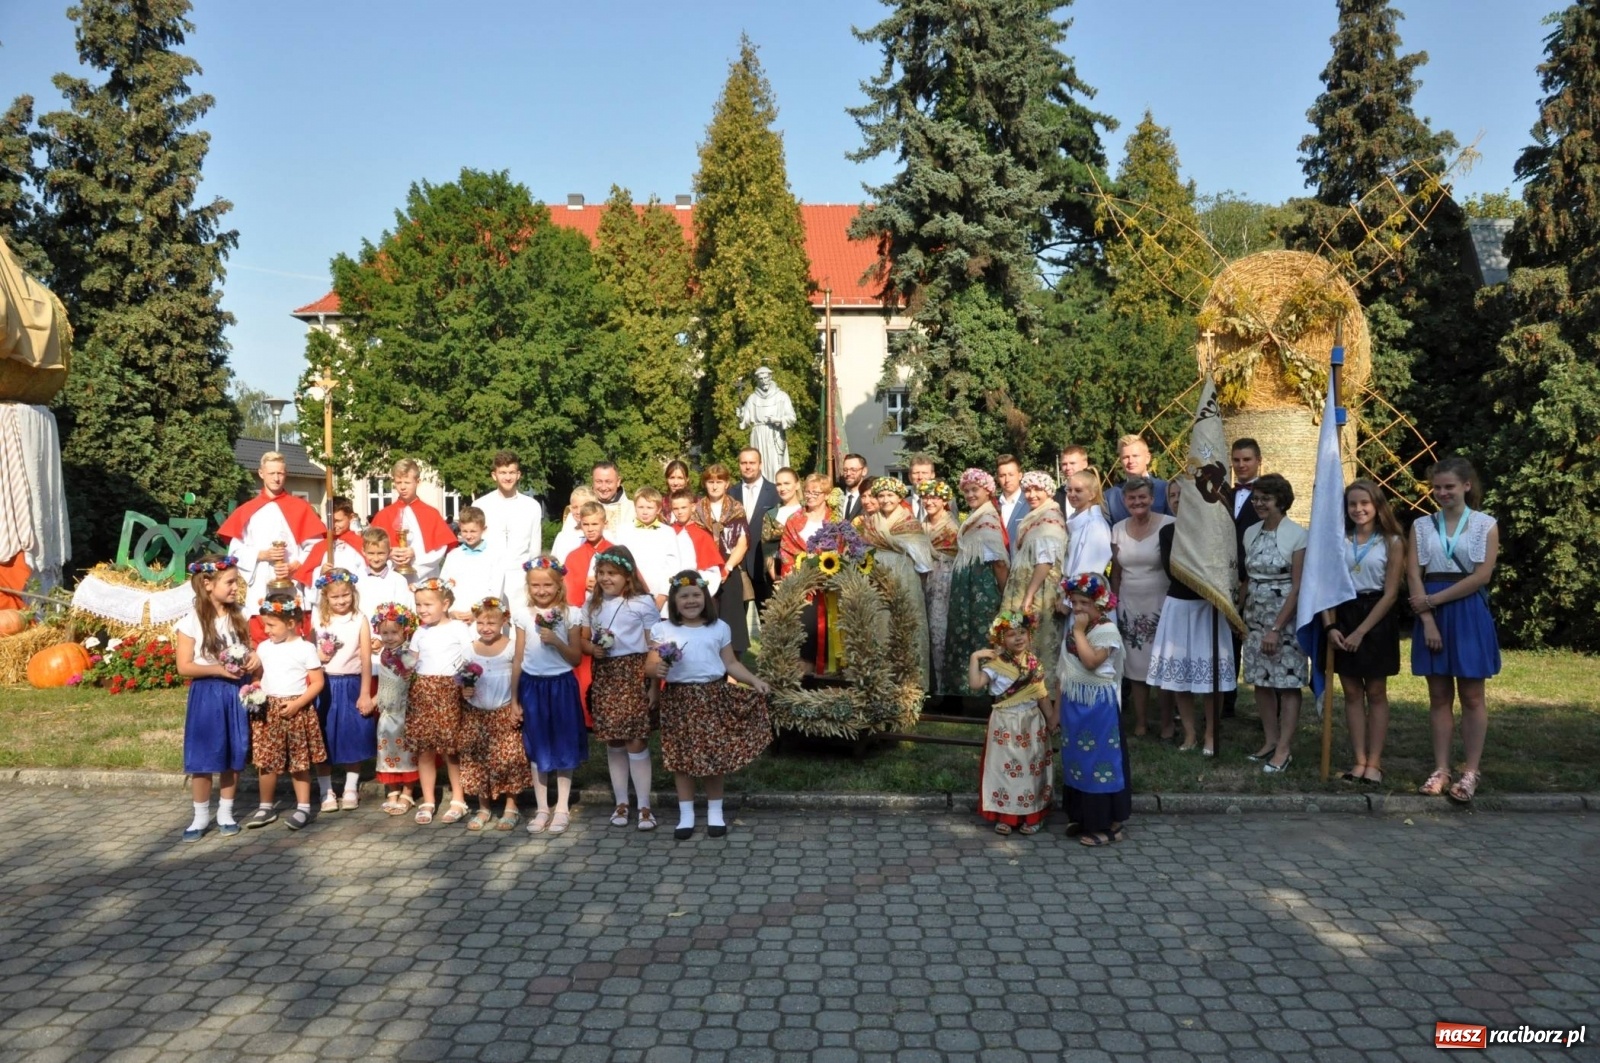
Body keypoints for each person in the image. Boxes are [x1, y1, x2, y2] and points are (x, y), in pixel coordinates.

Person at [646, 571, 773, 841]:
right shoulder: (664, 629)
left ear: (705, 597)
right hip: (679, 701)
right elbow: (649, 666)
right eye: (684, 596)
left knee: (714, 757)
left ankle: (716, 812)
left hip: (712, 696)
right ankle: (686, 814)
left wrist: (754, 680)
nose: (691, 601)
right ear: (674, 600)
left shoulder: (719, 628)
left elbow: (732, 664)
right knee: (681, 759)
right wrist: (658, 671)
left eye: (696, 595)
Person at [1407, 456, 1500, 803]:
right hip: (1430, 612)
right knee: (1439, 696)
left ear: (1466, 486)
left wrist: (1434, 601)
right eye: (1437, 487)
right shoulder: (1421, 525)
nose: (1442, 492)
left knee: (1473, 695)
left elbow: (1481, 576)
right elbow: (1414, 573)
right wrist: (1428, 616)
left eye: (1449, 486)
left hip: (1465, 609)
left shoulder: (1485, 524)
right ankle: (1441, 768)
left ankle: (1471, 771)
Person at [1146, 479, 1235, 755]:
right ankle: (1189, 732)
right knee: (1179, 675)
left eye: (1182, 495)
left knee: (1210, 677)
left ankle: (1211, 732)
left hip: (1207, 608)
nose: (1176, 499)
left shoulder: (1214, 530)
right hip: (1180, 606)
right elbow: (1174, 571)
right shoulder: (1168, 532)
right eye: (1172, 495)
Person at [1324, 480, 1404, 785]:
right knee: (1352, 693)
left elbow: (1391, 593)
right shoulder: (1339, 540)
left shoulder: (1392, 541)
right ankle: (1358, 759)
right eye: (1352, 504)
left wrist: (1361, 631)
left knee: (1376, 692)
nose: (1358, 509)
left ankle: (1375, 762)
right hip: (1342, 612)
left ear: (1377, 505)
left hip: (1375, 618)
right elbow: (1327, 586)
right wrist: (1331, 626)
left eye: (1364, 503)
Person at [174, 555, 255, 840]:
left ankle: (226, 811)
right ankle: (199, 816)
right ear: (207, 584)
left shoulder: (242, 614)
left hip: (235, 692)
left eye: (237, 581)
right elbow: (184, 666)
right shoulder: (192, 621)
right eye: (230, 582)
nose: (235, 587)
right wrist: (218, 669)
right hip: (207, 694)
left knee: (233, 752)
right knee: (205, 755)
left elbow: (253, 648)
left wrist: (252, 661)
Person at [580, 546, 661, 831]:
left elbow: (654, 646)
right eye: (601, 573)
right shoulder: (592, 603)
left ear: (627, 575)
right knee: (613, 740)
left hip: (635, 673)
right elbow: (583, 640)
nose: (605, 578)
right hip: (606, 674)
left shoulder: (642, 603)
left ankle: (644, 806)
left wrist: (654, 686)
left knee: (636, 739)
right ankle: (621, 802)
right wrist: (593, 649)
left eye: (612, 573)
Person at [513, 557, 587, 835]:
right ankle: (542, 807)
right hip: (532, 687)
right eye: (535, 585)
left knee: (563, 744)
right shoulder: (522, 615)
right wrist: (514, 699)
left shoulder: (571, 614)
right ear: (528, 586)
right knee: (538, 745)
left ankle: (563, 807)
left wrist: (556, 640)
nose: (541, 590)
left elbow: (576, 657)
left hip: (561, 686)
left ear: (558, 586)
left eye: (547, 585)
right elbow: (519, 657)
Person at [219, 451, 327, 638]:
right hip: (262, 584)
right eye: (271, 474)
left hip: (292, 585)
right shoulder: (248, 510)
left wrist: (296, 566)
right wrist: (261, 555)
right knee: (263, 640)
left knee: (294, 639)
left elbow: (316, 545)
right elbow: (235, 550)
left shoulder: (300, 507)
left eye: (280, 473)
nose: (276, 479)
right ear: (261, 473)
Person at [1241, 474, 1308, 773]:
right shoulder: (1250, 532)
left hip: (1284, 619)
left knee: (1287, 682)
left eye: (1265, 499)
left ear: (1281, 500)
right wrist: (1238, 611)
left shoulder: (1297, 536)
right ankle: (1270, 740)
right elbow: (1247, 577)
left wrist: (1277, 628)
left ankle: (1284, 749)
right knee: (1261, 681)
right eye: (1255, 498)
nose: (1258, 504)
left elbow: (1298, 586)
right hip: (1254, 616)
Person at [1058, 572, 1131, 846]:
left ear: (1099, 604)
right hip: (1073, 703)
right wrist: (1056, 711)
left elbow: (1090, 663)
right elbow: (1064, 669)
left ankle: (1110, 823)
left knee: (1099, 762)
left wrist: (1077, 631)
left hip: (1098, 708)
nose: (1077, 609)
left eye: (1084, 603)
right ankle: (1082, 816)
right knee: (1077, 759)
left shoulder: (1106, 631)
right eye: (1074, 602)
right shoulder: (1079, 629)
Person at [243, 598, 327, 831]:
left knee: (299, 762)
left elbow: (317, 682)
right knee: (266, 760)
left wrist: (297, 704)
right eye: (265, 625)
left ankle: (303, 807)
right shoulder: (264, 648)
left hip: (295, 709)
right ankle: (266, 806)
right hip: (269, 709)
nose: (266, 630)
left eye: (271, 625)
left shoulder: (305, 648)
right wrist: (255, 687)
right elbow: (259, 675)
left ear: (290, 623)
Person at [970, 610, 1052, 835]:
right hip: (1004, 722)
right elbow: (976, 684)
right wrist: (975, 658)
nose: (1018, 638)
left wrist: (1053, 721)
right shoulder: (997, 664)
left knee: (1030, 769)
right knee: (1004, 769)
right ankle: (1005, 815)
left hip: (1031, 722)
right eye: (1011, 634)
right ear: (1000, 639)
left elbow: (1041, 693)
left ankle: (1033, 815)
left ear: (1030, 635)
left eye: (1022, 632)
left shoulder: (1034, 664)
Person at [459, 596, 533, 832]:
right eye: (480, 623)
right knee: (479, 759)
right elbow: (461, 678)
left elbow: (518, 677)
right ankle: (483, 806)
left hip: (503, 711)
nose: (485, 628)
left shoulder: (511, 647)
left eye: (491, 623)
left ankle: (511, 805)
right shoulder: (470, 649)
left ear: (504, 621)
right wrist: (464, 688)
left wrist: (515, 704)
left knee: (508, 759)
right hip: (477, 713)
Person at [1110, 475, 1175, 737]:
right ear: (1125, 501)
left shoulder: (1170, 525)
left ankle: (1168, 723)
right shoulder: (1117, 529)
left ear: (1151, 499)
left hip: (1162, 603)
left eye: (1142, 497)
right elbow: (1115, 571)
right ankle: (1140, 722)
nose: (1137, 502)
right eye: (1131, 498)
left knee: (1163, 664)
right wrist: (1113, 604)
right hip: (1129, 604)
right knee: (1135, 666)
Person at [407, 578, 473, 825]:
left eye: (428, 604)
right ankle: (428, 800)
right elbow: (410, 661)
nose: (422, 609)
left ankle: (458, 799)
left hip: (449, 692)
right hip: (422, 691)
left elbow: (469, 660)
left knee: (450, 749)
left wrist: (468, 684)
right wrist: (395, 657)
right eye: (418, 605)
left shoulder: (458, 628)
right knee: (424, 749)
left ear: (445, 604)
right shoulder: (419, 631)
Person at [310, 570, 374, 814]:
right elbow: (307, 651)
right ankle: (325, 788)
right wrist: (319, 655)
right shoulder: (319, 618)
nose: (341, 601)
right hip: (323, 684)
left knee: (352, 734)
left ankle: (350, 786)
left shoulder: (359, 619)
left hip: (351, 683)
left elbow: (366, 658)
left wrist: (365, 692)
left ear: (353, 593)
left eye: (345, 595)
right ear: (326, 597)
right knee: (323, 736)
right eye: (335, 597)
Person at [1000, 471, 1069, 696]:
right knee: (1020, 642)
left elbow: (1045, 561)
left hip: (1039, 592)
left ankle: (1041, 700)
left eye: (1037, 490)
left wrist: (1028, 596)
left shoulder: (1049, 518)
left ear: (1048, 491)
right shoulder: (1036, 516)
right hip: (1024, 587)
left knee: (1036, 643)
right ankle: (1020, 696)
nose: (1031, 495)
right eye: (1028, 490)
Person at [860, 477, 934, 688]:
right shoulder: (871, 521)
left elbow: (922, 559)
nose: (885, 500)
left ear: (899, 496)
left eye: (890, 495)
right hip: (876, 574)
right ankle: (881, 679)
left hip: (903, 574)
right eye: (881, 495)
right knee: (879, 621)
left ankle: (911, 681)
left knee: (905, 621)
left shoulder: (908, 522)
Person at [944, 470, 1009, 696]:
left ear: (988, 491)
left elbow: (999, 562)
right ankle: (964, 692)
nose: (970, 494)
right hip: (969, 589)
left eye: (975, 490)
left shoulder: (987, 518)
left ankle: (981, 693)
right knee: (967, 634)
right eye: (967, 491)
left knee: (981, 636)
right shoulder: (976, 516)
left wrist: (1004, 593)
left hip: (982, 590)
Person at [1222, 437, 1264, 719]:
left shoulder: (1268, 493)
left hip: (1257, 578)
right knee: (1226, 644)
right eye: (1236, 460)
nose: (1241, 465)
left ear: (1258, 461)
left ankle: (1268, 713)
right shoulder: (1222, 493)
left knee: (1257, 642)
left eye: (1246, 460)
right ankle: (1225, 705)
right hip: (1224, 576)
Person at [693, 465, 752, 655]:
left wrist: (727, 567)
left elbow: (742, 542)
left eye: (719, 482)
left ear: (727, 484)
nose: (715, 486)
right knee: (707, 616)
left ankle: (732, 675)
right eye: (711, 482)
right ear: (705, 484)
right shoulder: (697, 509)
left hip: (730, 567)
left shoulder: (736, 508)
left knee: (731, 618)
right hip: (705, 568)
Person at [369, 458, 457, 584]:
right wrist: (388, 552)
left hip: (424, 579)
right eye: (398, 482)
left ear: (417, 482)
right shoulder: (384, 515)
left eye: (407, 482)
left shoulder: (431, 513)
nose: (402, 487)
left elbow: (440, 548)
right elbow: (371, 547)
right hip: (391, 578)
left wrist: (416, 553)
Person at [370, 603, 421, 816]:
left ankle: (408, 791)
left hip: (404, 708)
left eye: (394, 632)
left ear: (405, 631)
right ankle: (392, 789)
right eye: (385, 633)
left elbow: (412, 677)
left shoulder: (408, 654)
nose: (389, 637)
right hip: (387, 709)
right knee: (386, 747)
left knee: (406, 749)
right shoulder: (384, 653)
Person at [472, 449, 543, 570]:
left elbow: (535, 549)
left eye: (512, 472)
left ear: (518, 474)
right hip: (489, 575)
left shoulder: (532, 506)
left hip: (521, 578)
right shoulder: (480, 505)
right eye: (503, 473)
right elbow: (474, 544)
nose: (508, 477)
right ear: (494, 475)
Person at [919, 481, 959, 693]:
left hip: (944, 581)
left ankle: (943, 689)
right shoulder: (923, 524)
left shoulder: (950, 526)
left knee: (939, 632)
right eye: (926, 497)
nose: (930, 501)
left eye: (934, 497)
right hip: (926, 580)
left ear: (944, 501)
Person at [291, 496, 365, 610]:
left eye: (339, 521)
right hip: (326, 608)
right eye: (331, 521)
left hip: (354, 604)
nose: (334, 525)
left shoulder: (360, 544)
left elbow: (367, 575)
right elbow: (308, 578)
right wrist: (320, 572)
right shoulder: (321, 546)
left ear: (350, 517)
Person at [618, 487, 682, 613]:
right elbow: (619, 563)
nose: (645, 512)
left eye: (649, 508)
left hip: (660, 596)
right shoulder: (624, 530)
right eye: (641, 507)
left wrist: (662, 596)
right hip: (629, 595)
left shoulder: (667, 532)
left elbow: (673, 566)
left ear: (658, 509)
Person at [440, 506, 504, 621]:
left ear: (484, 529)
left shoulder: (494, 556)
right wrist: (450, 611)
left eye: (473, 531)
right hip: (456, 617)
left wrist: (477, 612)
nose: (468, 536)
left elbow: (495, 590)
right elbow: (444, 587)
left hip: (483, 619)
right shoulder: (453, 555)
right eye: (464, 531)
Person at [735, 448, 781, 609]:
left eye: (752, 463)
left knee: (769, 622)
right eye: (744, 463)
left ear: (760, 464)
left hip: (764, 568)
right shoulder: (730, 493)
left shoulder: (776, 492)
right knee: (738, 624)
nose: (748, 467)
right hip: (738, 568)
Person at [737, 367, 797, 480]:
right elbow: (745, 421)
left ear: (770, 378)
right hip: (758, 436)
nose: (764, 381)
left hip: (775, 434)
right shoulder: (752, 398)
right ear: (757, 380)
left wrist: (778, 420)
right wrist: (741, 415)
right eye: (761, 379)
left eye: (766, 378)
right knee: (759, 465)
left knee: (775, 465)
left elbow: (792, 418)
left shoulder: (782, 396)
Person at [669, 489, 725, 595]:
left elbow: (712, 572)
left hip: (695, 590)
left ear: (693, 507)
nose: (679, 512)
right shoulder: (668, 533)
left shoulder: (702, 536)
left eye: (683, 507)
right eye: (675, 508)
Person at [1104, 435, 1171, 523]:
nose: (1131, 461)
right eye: (1125, 457)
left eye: (1135, 456)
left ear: (1147, 458)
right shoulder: (1110, 497)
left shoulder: (1165, 490)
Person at [780, 473, 833, 579]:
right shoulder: (793, 520)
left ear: (826, 495)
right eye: (807, 492)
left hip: (829, 579)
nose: (810, 496)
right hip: (799, 580)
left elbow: (840, 551)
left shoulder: (835, 520)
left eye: (815, 493)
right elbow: (786, 552)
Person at [356, 526, 414, 610]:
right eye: (371, 553)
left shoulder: (398, 580)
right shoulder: (357, 578)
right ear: (363, 552)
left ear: (389, 552)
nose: (376, 559)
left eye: (381, 553)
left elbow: (403, 608)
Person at [762, 467, 801, 586]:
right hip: (779, 574)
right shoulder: (771, 514)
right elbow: (767, 547)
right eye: (778, 484)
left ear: (797, 485)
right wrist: (775, 575)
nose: (782, 488)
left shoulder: (807, 511)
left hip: (805, 573)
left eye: (787, 483)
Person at [549, 485, 597, 561]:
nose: (578, 512)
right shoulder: (562, 537)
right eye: (575, 507)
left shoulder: (602, 534)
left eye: (583, 507)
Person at [591, 460, 635, 532]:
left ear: (618, 482)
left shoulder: (634, 509)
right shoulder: (579, 509)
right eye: (599, 482)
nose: (603, 488)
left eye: (608, 482)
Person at [995, 454, 1026, 551]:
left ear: (1020, 476)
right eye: (1002, 476)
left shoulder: (1030, 503)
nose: (1007, 480)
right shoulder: (992, 505)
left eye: (1011, 475)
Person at [1052, 445, 1090, 511]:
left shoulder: (1100, 493)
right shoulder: (1055, 496)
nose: (1068, 468)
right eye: (1064, 464)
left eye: (1072, 463)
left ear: (1085, 464)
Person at [838, 453, 869, 521]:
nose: (848, 473)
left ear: (864, 471)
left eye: (853, 470)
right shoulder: (837, 496)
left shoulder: (869, 498)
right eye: (845, 470)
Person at [907, 454, 937, 520]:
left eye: (924, 473)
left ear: (932, 475)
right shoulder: (902, 504)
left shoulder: (946, 503)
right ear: (909, 476)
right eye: (916, 473)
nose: (920, 477)